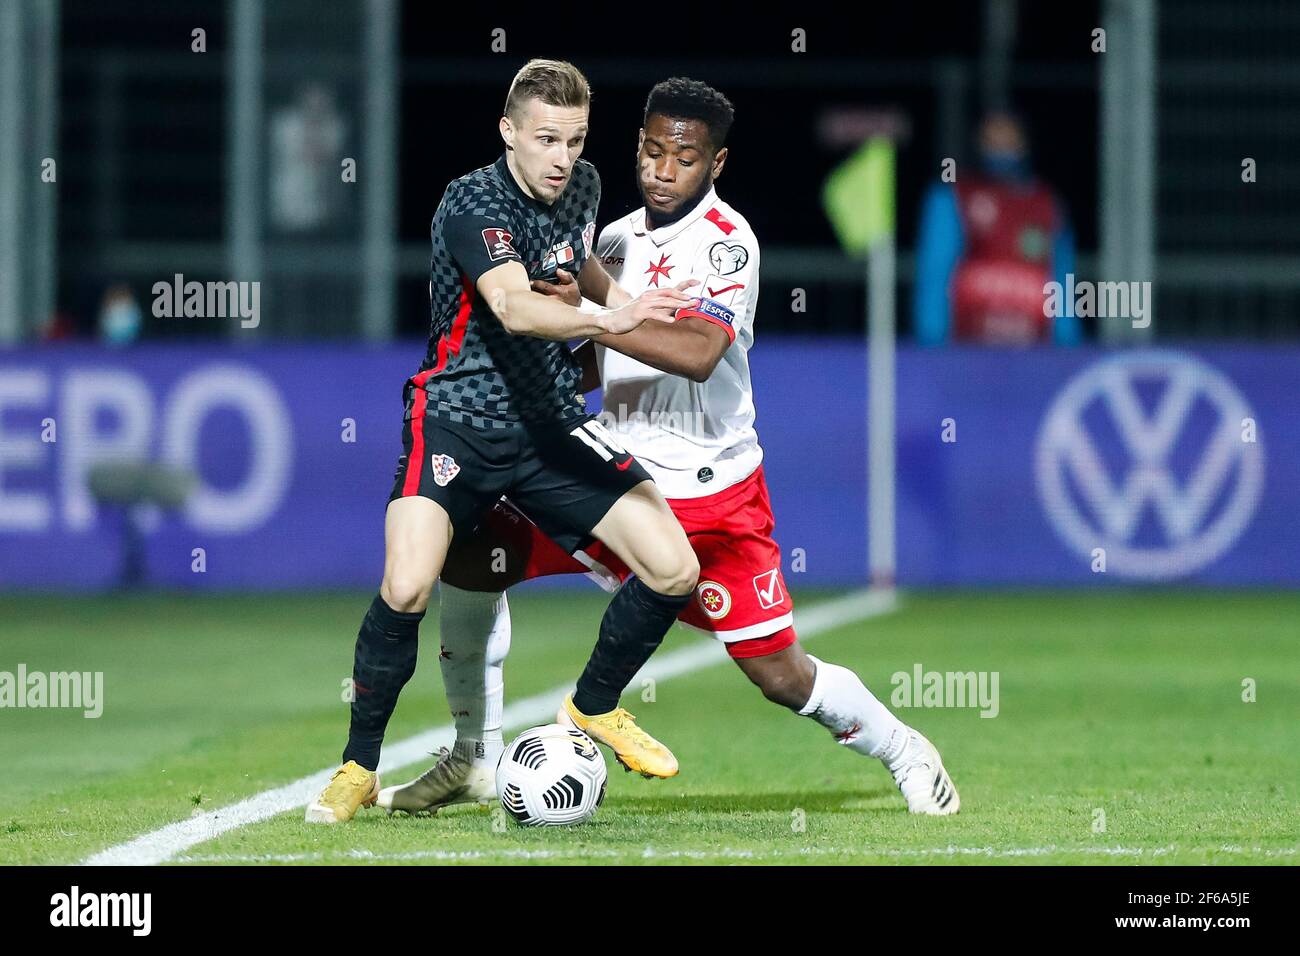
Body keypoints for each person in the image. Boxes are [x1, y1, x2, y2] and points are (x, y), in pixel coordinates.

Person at [380, 78, 960, 818]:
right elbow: (594, 364)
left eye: (682, 157)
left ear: (715, 165)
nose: (660, 169)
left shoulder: (727, 245)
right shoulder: (611, 240)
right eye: (650, 151)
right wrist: (536, 343)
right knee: (470, 556)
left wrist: (596, 318)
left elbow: (695, 351)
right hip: (613, 482)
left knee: (780, 675)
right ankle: (473, 754)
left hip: (714, 496)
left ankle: (904, 748)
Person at [306, 60, 702, 824]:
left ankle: (591, 707)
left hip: (549, 420)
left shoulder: (581, 186)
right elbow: (516, 304)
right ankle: (357, 766)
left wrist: (622, 300)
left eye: (575, 139)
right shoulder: (473, 201)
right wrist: (608, 323)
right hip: (457, 416)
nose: (562, 156)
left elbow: (572, 259)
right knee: (408, 586)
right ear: (508, 132)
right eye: (547, 138)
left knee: (673, 566)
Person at [913, 109, 1080, 346]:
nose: (1001, 148)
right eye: (992, 141)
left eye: (1008, 139)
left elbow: (1061, 283)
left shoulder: (1048, 205)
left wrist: (1067, 348)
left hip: (1034, 353)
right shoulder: (954, 198)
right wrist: (933, 345)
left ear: (1024, 144)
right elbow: (935, 277)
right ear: (979, 145)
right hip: (968, 349)